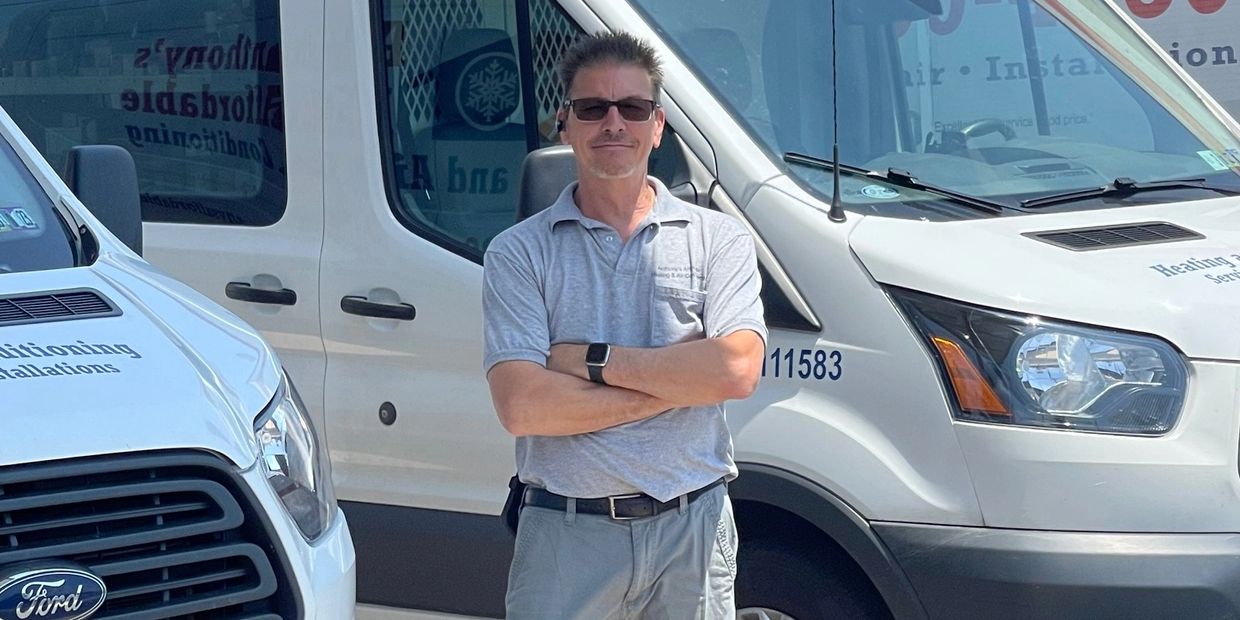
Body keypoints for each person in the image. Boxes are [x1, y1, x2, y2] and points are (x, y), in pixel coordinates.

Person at [482, 31, 767, 619]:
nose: (614, 123)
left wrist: (589, 361)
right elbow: (524, 407)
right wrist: (679, 385)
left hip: (692, 531)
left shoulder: (721, 240)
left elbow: (737, 370)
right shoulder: (517, 253)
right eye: (593, 108)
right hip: (566, 537)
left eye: (632, 107)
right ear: (565, 124)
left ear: (657, 126)